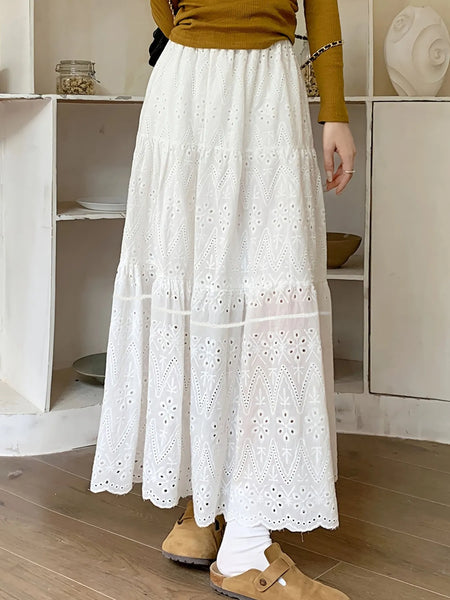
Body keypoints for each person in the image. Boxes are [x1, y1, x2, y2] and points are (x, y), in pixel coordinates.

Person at [90, 1, 356, 598]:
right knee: (226, 293)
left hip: (232, 82)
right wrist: (334, 110)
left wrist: (334, 109)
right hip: (211, 83)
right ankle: (219, 518)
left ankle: (220, 521)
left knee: (252, 294)